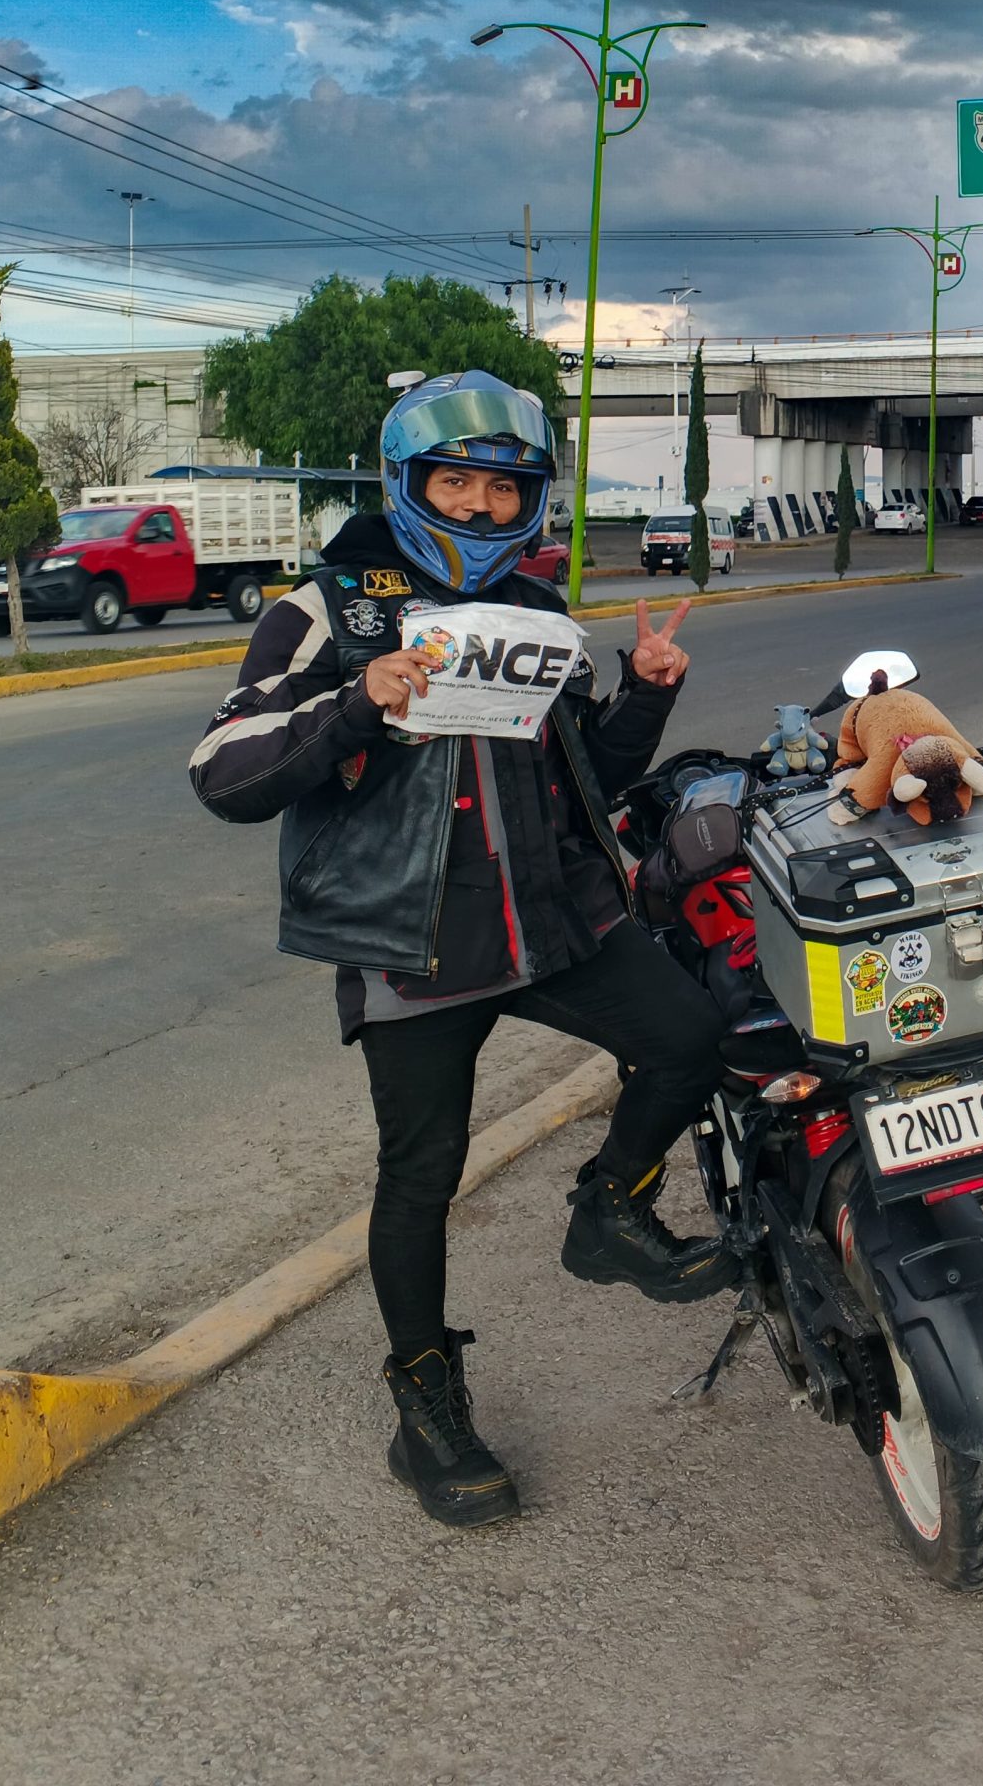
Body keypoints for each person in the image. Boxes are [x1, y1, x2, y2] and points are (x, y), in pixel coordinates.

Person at [189, 370, 731, 1529]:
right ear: (410, 482)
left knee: (692, 1035)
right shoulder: (325, 609)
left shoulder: (541, 607)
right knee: (421, 1177)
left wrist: (642, 694)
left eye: (506, 487)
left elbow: (591, 770)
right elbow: (224, 773)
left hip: (555, 919)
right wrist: (358, 702)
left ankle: (610, 1207)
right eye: (458, 483)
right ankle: (426, 1403)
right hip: (411, 943)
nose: (483, 508)